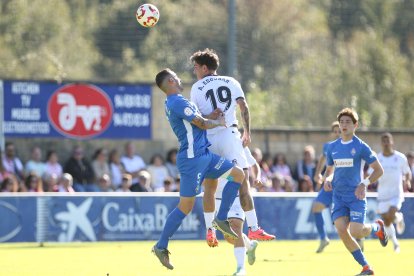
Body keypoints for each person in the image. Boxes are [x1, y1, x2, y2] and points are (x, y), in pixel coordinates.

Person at [152, 68, 245, 270]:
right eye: (176, 77)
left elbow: (198, 118)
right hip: (192, 160)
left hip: (204, 156)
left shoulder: (175, 102)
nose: (179, 78)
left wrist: (209, 116)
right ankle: (160, 246)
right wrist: (218, 121)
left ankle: (221, 218)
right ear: (170, 81)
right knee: (185, 206)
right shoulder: (177, 102)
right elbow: (201, 123)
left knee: (238, 174)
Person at [190, 48, 274, 245]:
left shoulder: (197, 87)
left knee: (209, 186)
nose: (195, 72)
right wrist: (247, 131)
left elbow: (196, 117)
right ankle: (254, 228)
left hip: (209, 137)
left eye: (195, 67)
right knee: (242, 181)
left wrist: (209, 118)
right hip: (230, 134)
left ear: (204, 67)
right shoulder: (231, 81)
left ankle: (210, 230)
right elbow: (244, 107)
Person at [323, 108, 387, 275]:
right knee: (342, 231)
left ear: (355, 125)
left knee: (356, 231)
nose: (344, 125)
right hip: (338, 196)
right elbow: (330, 171)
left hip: (355, 195)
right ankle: (366, 267)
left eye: (348, 122)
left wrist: (364, 183)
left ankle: (376, 228)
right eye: (342, 122)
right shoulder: (332, 147)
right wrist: (327, 180)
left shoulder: (361, 147)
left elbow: (379, 170)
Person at [375, 133, 412, 253]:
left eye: (388, 141)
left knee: (390, 214)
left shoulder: (400, 158)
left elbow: (407, 172)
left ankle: (396, 217)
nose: (386, 143)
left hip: (396, 194)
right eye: (383, 141)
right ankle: (396, 241)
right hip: (382, 194)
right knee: (386, 221)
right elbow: (371, 173)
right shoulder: (377, 159)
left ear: (392, 142)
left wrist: (407, 181)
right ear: (381, 144)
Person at [312, 121, 340, 253]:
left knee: (341, 217)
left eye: (339, 131)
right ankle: (323, 238)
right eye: (335, 131)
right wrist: (318, 173)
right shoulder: (328, 146)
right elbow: (322, 159)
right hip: (329, 184)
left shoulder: (348, 146)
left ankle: (358, 237)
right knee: (316, 207)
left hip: (341, 185)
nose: (337, 133)